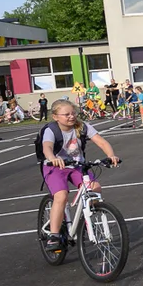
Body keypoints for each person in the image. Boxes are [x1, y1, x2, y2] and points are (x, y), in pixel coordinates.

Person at [40, 100, 120, 251]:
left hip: (77, 166)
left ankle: (85, 216)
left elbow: (101, 142)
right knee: (61, 196)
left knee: (95, 189)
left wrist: (111, 155)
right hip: (56, 167)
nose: (71, 116)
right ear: (56, 117)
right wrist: (53, 159)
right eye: (66, 114)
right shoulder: (51, 130)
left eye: (73, 113)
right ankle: (54, 235)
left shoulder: (82, 126)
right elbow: (47, 147)